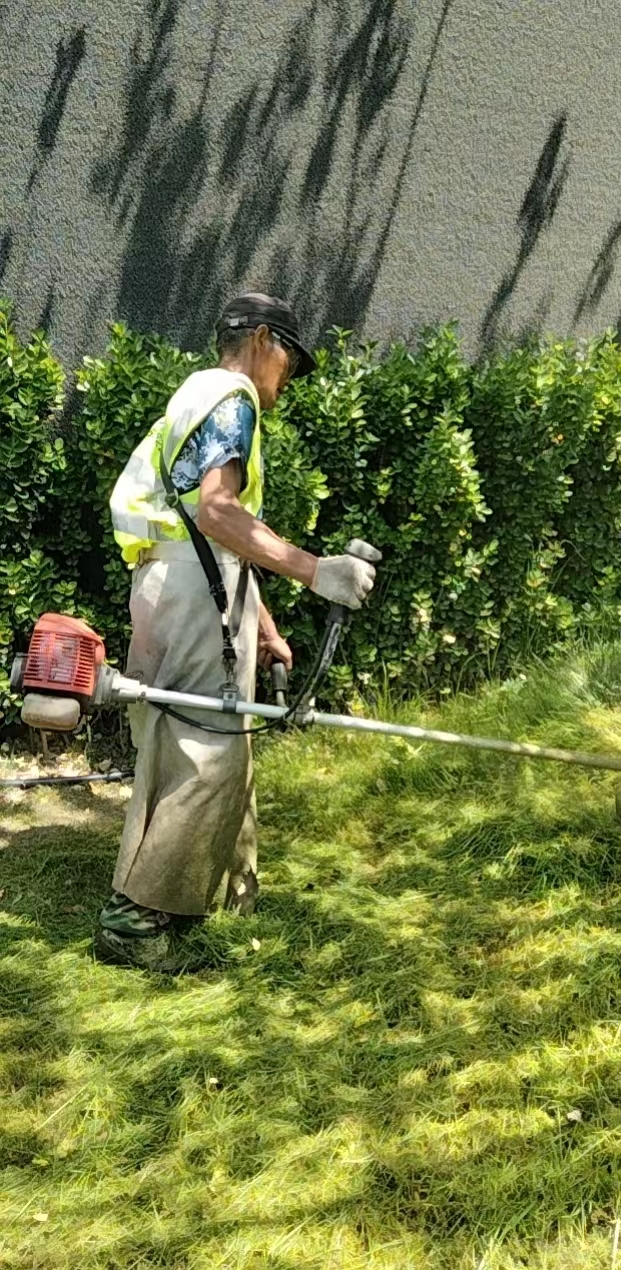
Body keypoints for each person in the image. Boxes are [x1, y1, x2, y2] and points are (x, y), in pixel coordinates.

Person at [95, 292, 378, 970]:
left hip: (175, 585)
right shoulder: (232, 398)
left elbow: (210, 538)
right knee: (206, 751)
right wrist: (317, 571)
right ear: (260, 340)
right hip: (193, 596)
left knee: (203, 739)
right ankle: (135, 922)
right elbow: (219, 514)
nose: (290, 375)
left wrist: (264, 625)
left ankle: (228, 894)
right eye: (291, 358)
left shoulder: (194, 397)